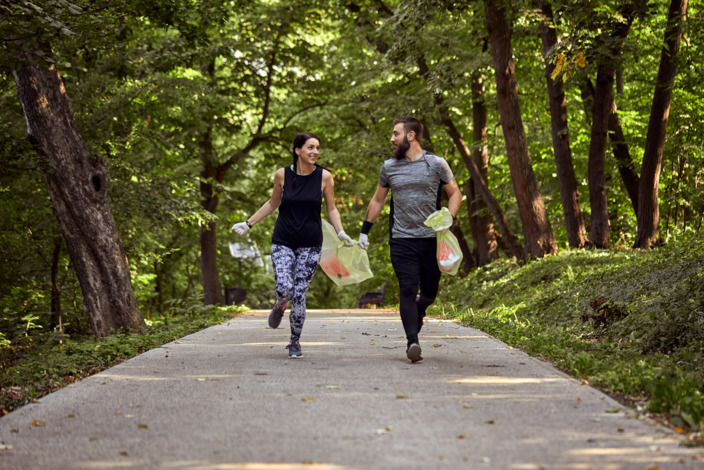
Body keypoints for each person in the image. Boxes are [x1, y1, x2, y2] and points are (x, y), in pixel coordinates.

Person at [232, 132, 353, 358]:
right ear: (297, 150)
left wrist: (341, 232)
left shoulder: (325, 177)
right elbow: (272, 203)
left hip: (311, 244)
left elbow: (332, 208)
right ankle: (279, 305)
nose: (315, 152)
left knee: (299, 294)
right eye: (310, 147)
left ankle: (294, 341)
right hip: (283, 241)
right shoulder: (282, 175)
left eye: (317, 148)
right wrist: (249, 224)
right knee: (285, 289)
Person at [358, 116, 461, 363]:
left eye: (396, 133)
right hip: (402, 238)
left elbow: (455, 193)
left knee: (429, 292)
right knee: (406, 288)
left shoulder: (436, 164)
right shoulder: (389, 167)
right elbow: (378, 200)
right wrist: (364, 230)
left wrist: (450, 217)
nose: (392, 138)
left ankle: (420, 309)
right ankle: (412, 342)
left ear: (411, 136)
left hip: (431, 240)